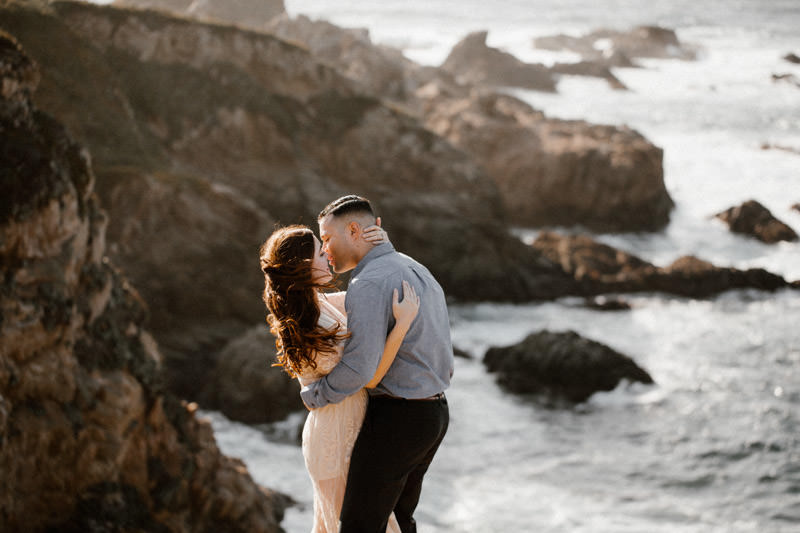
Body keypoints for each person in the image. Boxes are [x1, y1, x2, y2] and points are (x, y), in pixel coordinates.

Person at [301, 195, 454, 533]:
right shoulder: (412, 266)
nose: (325, 249)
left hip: (398, 419)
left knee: (360, 526)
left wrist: (318, 394)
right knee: (399, 521)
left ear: (354, 230)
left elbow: (360, 370)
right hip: (434, 414)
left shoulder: (369, 282)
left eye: (326, 238)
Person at [260, 223, 418, 533]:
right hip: (334, 441)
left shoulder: (314, 303)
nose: (328, 254)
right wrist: (402, 325)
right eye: (321, 252)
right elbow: (366, 375)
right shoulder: (311, 320)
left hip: (344, 432)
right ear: (305, 266)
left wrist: (377, 249)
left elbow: (366, 294)